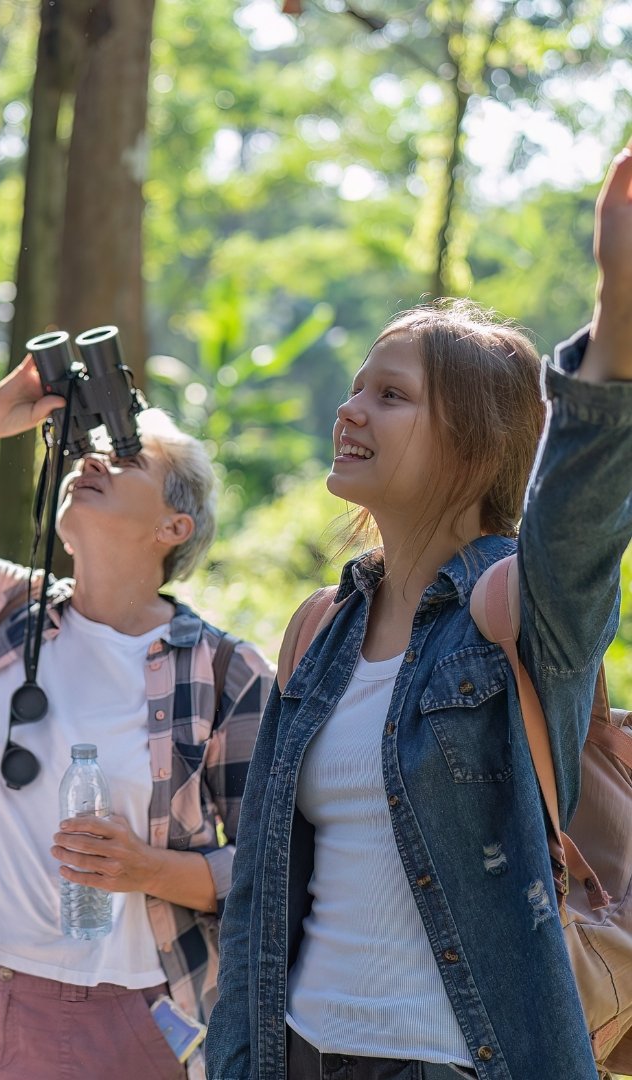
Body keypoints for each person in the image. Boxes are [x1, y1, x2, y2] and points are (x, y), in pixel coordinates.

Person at [204, 140, 632, 1080]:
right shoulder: (320, 628)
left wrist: (617, 315)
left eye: (390, 396)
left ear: (475, 449)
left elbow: (582, 527)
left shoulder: (513, 608)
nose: (350, 411)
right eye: (358, 388)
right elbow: (262, 898)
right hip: (300, 1052)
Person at [0, 365, 274, 1080]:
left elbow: (273, 861)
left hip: (119, 1017)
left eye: (126, 457)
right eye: (87, 453)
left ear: (173, 526)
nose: (89, 460)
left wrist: (151, 869)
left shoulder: (224, 672)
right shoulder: (12, 612)